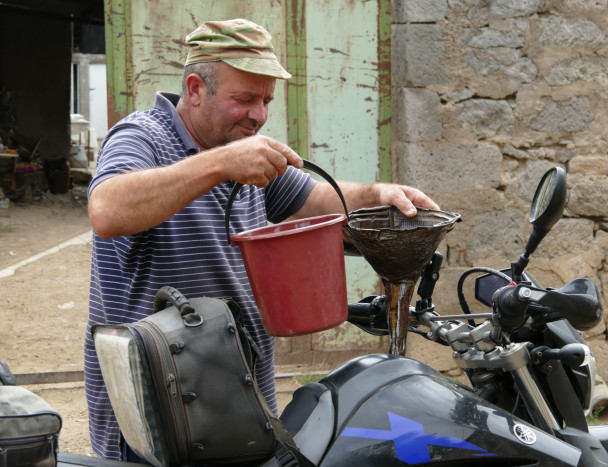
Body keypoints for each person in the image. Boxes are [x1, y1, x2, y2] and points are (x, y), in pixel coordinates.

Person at [84, 18, 439, 461]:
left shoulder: (243, 149)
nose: (259, 115)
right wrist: (220, 164)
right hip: (160, 413)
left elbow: (316, 199)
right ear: (195, 90)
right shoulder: (142, 136)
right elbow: (106, 210)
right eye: (245, 99)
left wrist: (377, 195)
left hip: (240, 398)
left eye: (266, 100)